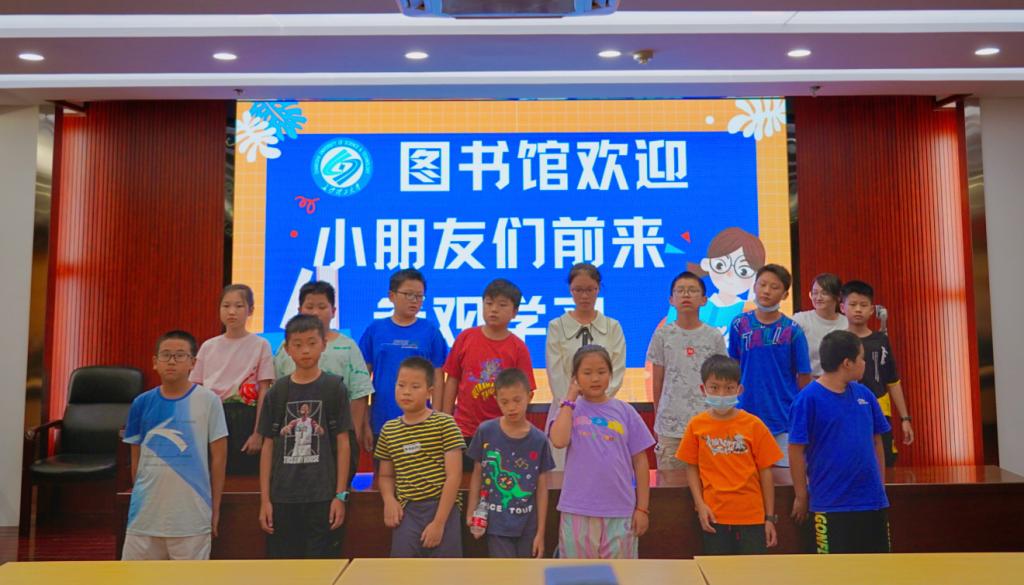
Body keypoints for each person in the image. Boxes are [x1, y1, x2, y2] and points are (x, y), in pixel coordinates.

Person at [122, 330, 227, 560]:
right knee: (135, 577)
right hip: (144, 518)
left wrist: (215, 507)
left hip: (192, 517)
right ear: (155, 362)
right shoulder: (141, 403)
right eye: (166, 355)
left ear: (192, 363)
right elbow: (135, 461)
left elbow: (219, 459)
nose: (172, 361)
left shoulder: (209, 401)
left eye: (180, 355)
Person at [789, 330, 892, 554]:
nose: (864, 363)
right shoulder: (807, 399)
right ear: (847, 363)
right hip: (830, 503)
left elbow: (877, 442)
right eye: (861, 358)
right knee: (832, 570)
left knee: (879, 568)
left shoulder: (865, 394)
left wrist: (880, 486)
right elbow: (795, 450)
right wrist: (801, 495)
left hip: (871, 502)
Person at [258, 314, 352, 559]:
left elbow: (343, 443)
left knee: (321, 568)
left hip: (322, 496)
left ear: (324, 344)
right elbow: (268, 445)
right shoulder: (277, 391)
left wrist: (340, 496)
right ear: (287, 349)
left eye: (312, 343)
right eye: (297, 344)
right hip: (283, 497)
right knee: (283, 569)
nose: (305, 350)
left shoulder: (334, 388)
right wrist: (265, 501)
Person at [549, 345, 655, 559]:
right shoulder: (568, 410)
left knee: (619, 574)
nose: (595, 378)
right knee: (578, 574)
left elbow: (641, 462)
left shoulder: (625, 411)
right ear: (575, 377)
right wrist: (569, 399)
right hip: (577, 510)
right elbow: (559, 441)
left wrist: (642, 509)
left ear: (611, 374)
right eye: (587, 373)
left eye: (601, 372)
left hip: (620, 511)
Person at [677, 355, 782, 555]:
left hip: (752, 516)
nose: (722, 394)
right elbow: (691, 467)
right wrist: (700, 505)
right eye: (714, 387)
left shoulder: (754, 425)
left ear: (739, 390)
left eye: (729, 388)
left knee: (752, 570)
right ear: (703, 389)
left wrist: (769, 518)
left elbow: (766, 472)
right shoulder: (696, 425)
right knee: (718, 570)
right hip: (714, 516)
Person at [275, 280, 374, 478]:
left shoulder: (348, 347)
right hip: (297, 440)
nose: (315, 312)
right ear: (299, 310)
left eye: (322, 307)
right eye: (309, 307)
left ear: (333, 311)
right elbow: (278, 393)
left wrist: (352, 433)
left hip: (338, 436)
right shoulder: (286, 348)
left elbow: (359, 394)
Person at [375, 356, 465, 558]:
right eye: (401, 385)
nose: (406, 392)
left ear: (429, 392)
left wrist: (439, 523)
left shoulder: (445, 424)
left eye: (415, 386)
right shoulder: (389, 430)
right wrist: (389, 500)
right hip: (407, 511)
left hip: (443, 507)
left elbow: (454, 476)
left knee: (446, 571)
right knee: (404, 571)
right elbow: (386, 476)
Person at [442, 278, 535, 470]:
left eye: (502, 305)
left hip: (501, 431)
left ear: (515, 312)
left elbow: (526, 392)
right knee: (463, 480)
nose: (494, 310)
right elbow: (452, 380)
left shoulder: (518, 348)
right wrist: (445, 421)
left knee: (498, 480)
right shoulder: (465, 338)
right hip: (463, 430)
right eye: (489, 303)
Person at [728, 264, 812, 467]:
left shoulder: (793, 330)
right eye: (762, 284)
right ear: (754, 286)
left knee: (784, 477)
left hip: (783, 417)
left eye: (774, 287)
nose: (766, 291)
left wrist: (803, 414)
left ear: (785, 295)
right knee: (745, 474)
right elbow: (733, 365)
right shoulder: (740, 324)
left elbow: (804, 375)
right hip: (745, 413)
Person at [466, 368, 555, 558]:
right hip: (495, 523)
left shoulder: (539, 439)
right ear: (496, 400)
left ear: (529, 397)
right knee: (504, 572)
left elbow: (542, 487)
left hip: (527, 526)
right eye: (504, 402)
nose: (511, 407)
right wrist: (471, 511)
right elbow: (477, 473)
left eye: (517, 400)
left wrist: (540, 533)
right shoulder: (486, 431)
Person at [359, 269, 448, 454]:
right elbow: (363, 379)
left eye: (419, 296)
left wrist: (437, 419)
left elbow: (438, 377)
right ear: (391, 296)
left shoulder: (430, 331)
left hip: (422, 422)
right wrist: (364, 422)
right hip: (382, 420)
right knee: (383, 470)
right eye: (408, 294)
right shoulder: (375, 330)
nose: (414, 300)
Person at [545, 263, 626, 468]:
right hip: (565, 409)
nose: (584, 296)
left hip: (602, 410)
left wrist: (596, 400)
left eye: (590, 289)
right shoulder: (556, 326)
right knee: (563, 469)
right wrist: (570, 403)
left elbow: (616, 371)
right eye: (578, 290)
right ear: (570, 290)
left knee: (600, 467)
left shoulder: (612, 327)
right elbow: (556, 373)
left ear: (598, 289)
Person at [191, 284, 275, 475]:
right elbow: (196, 389)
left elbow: (264, 390)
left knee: (244, 475)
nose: (231, 311)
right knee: (213, 472)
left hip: (246, 417)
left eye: (238, 306)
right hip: (213, 414)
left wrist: (258, 433)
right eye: (226, 305)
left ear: (250, 310)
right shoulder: (208, 346)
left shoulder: (261, 345)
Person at [648, 271, 726, 470]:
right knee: (671, 485)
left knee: (709, 481)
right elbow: (657, 381)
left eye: (692, 290)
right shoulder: (662, 334)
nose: (686, 295)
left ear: (704, 300)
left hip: (707, 423)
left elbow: (723, 382)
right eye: (680, 290)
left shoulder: (714, 336)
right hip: (671, 425)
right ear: (671, 300)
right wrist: (658, 418)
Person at [841, 280, 914, 466]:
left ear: (872, 310)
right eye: (853, 304)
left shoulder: (881, 341)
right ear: (842, 308)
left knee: (884, 461)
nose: (858, 309)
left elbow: (893, 381)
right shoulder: (838, 341)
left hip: (880, 411)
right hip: (847, 411)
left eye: (863, 305)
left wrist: (905, 419)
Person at [687, 227, 767, 342]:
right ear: (706, 264)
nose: (729, 274)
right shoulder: (691, 308)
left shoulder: (750, 312)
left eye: (743, 271)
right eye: (720, 265)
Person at [792, 273, 848, 378]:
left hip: (838, 382)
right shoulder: (800, 320)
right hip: (806, 382)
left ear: (838, 296)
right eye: (814, 293)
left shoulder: (847, 324)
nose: (818, 298)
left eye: (824, 293)